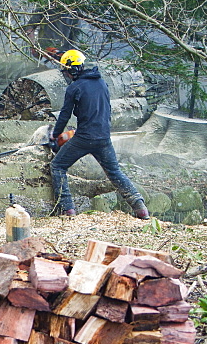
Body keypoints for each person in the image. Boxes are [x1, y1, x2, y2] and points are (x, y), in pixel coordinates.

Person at [50, 49, 149, 219]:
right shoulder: (101, 83)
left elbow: (65, 115)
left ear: (72, 70)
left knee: (57, 166)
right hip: (104, 138)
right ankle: (140, 207)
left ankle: (67, 209)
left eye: (66, 70)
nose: (66, 74)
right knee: (114, 172)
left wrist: (54, 135)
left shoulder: (74, 88)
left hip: (84, 138)